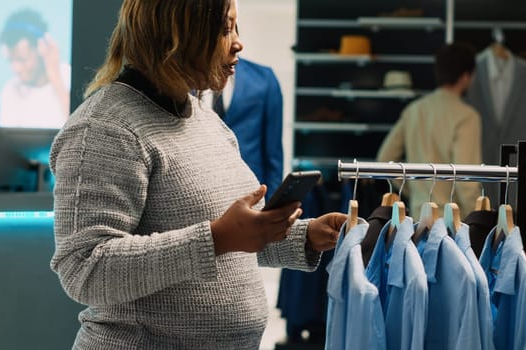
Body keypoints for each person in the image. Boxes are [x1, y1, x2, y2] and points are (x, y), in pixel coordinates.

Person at [48, 1, 346, 349]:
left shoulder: (206, 122)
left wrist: (305, 236)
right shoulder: (103, 128)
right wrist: (217, 237)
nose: (238, 43)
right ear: (178, 33)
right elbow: (84, 270)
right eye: (224, 29)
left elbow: (233, 243)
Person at [376, 42, 482, 220]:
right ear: (465, 76)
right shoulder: (467, 116)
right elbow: (466, 180)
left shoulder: (414, 110)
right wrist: (478, 219)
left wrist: (414, 189)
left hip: (418, 216)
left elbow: (385, 159)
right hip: (452, 221)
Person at [208, 58, 284, 201]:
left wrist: (272, 206)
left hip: (250, 191)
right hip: (202, 192)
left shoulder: (263, 78)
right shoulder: (185, 76)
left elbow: (274, 153)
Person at [0, 8, 70, 128]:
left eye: (22, 59)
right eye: (11, 60)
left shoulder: (69, 76)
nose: (16, 69)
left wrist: (55, 77)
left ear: (42, 47)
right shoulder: (10, 90)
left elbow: (78, 129)